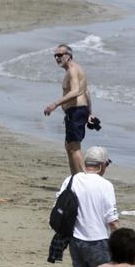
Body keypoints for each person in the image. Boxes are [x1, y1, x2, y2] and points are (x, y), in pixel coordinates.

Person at [57, 146, 119, 267]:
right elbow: (112, 221)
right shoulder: (105, 185)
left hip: (75, 241)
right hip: (98, 241)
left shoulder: (70, 180)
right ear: (102, 165)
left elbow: (58, 207)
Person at [43, 44, 96, 174]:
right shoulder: (75, 69)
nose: (57, 58)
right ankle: (75, 177)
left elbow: (76, 91)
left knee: (74, 147)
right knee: (69, 146)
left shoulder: (72, 69)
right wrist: (89, 113)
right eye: (55, 55)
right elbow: (86, 92)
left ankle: (84, 177)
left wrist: (54, 104)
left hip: (76, 111)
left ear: (69, 56)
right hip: (78, 111)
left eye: (60, 55)